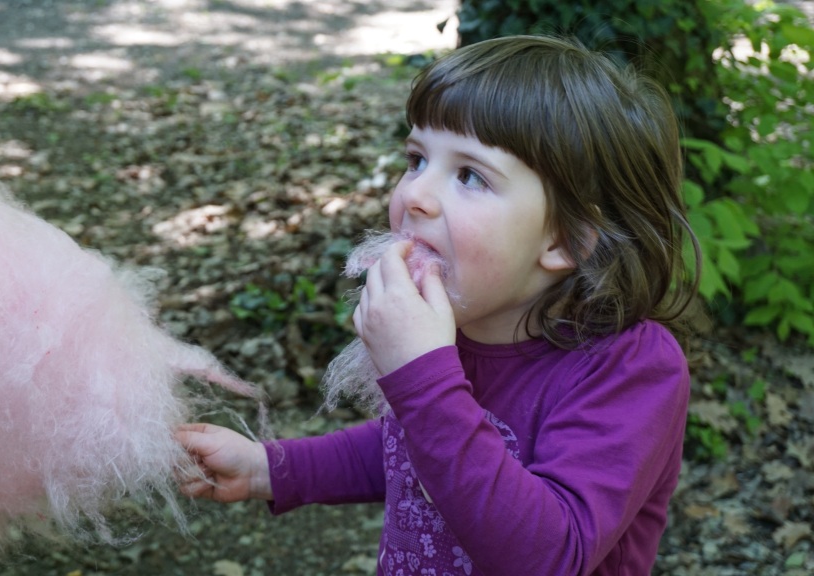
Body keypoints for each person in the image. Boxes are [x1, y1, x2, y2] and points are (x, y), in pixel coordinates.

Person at [176, 34, 700, 575]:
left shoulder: (632, 369)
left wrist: (422, 377)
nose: (415, 196)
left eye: (469, 175)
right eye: (416, 159)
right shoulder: (466, 326)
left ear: (565, 240)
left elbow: (550, 556)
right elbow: (407, 449)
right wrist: (269, 469)